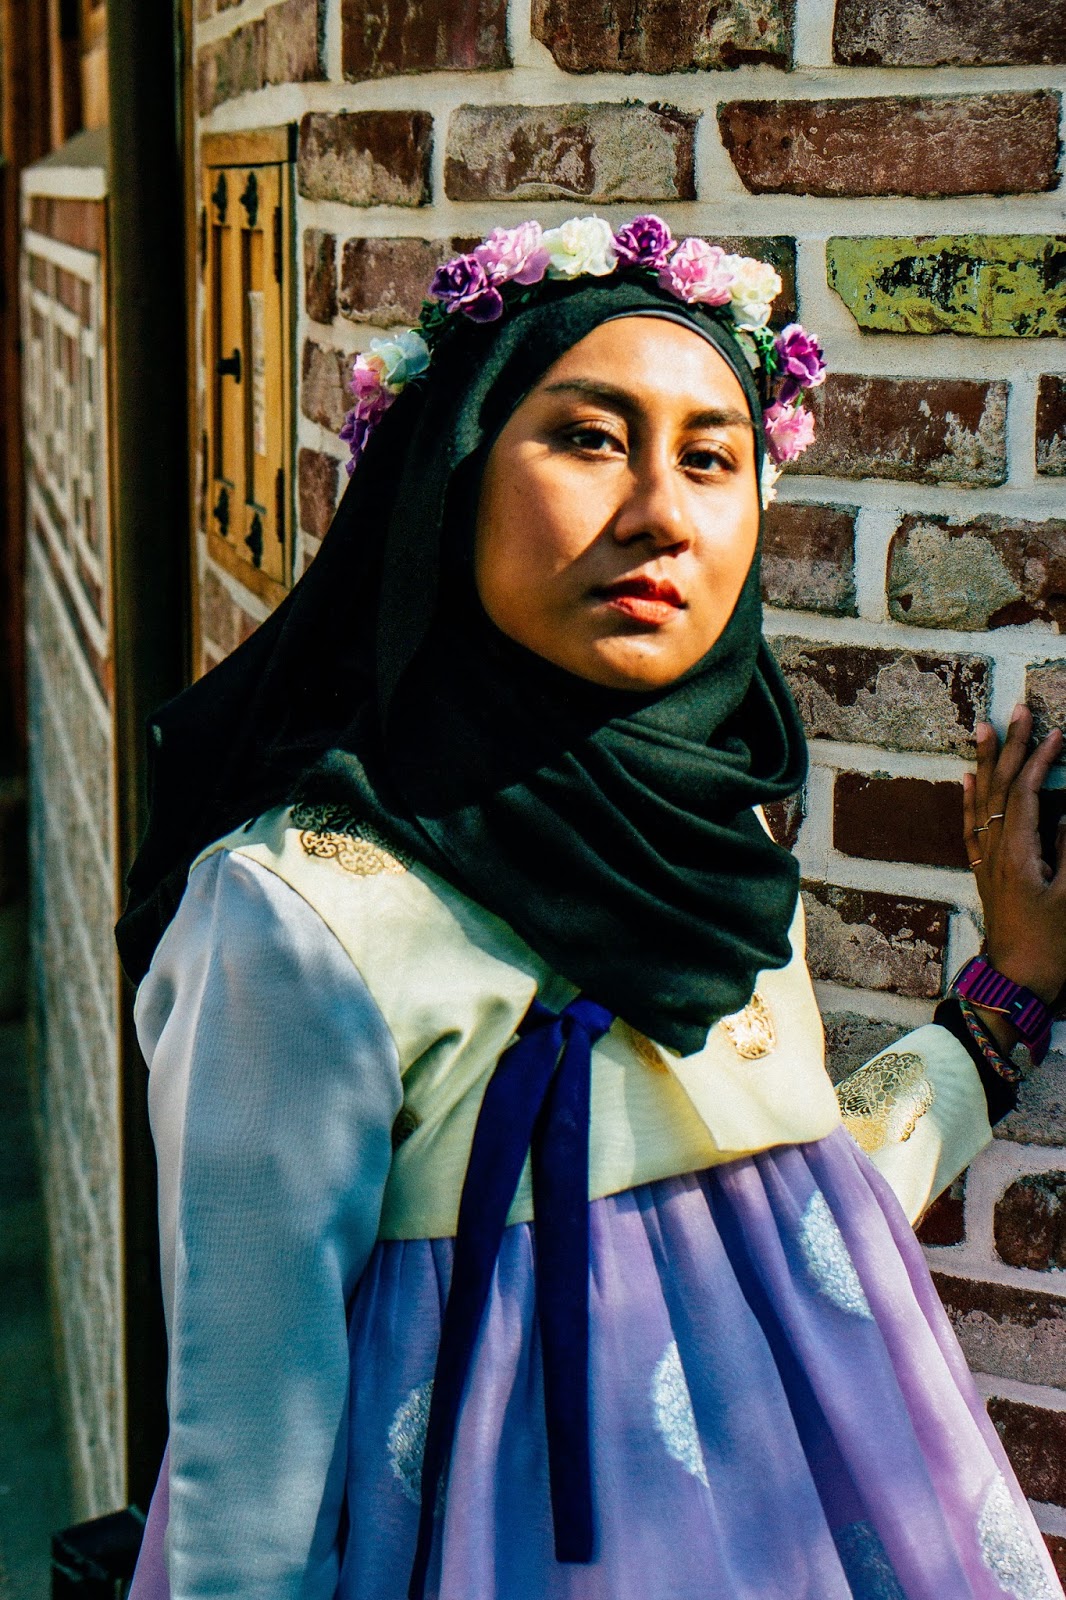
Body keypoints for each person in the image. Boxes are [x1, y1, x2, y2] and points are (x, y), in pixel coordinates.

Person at [119, 215, 1066, 1600]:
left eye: (709, 457)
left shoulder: (714, 833)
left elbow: (792, 1219)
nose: (659, 516)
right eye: (587, 438)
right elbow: (244, 1466)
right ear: (446, 481)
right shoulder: (304, 915)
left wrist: (1008, 995)